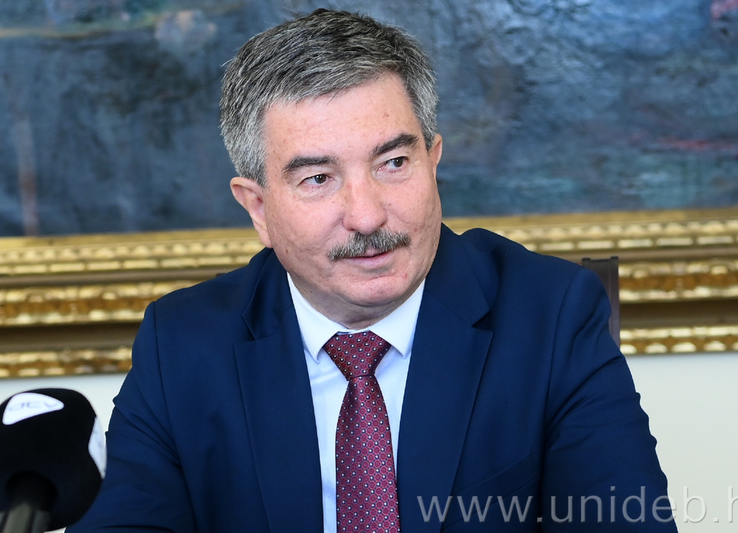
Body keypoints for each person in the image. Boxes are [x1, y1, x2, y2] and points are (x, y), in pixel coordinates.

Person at [70, 9, 677, 532]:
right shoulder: (183, 347)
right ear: (257, 207)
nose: (366, 216)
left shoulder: (551, 316)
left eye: (393, 163)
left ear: (433, 162)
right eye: (318, 178)